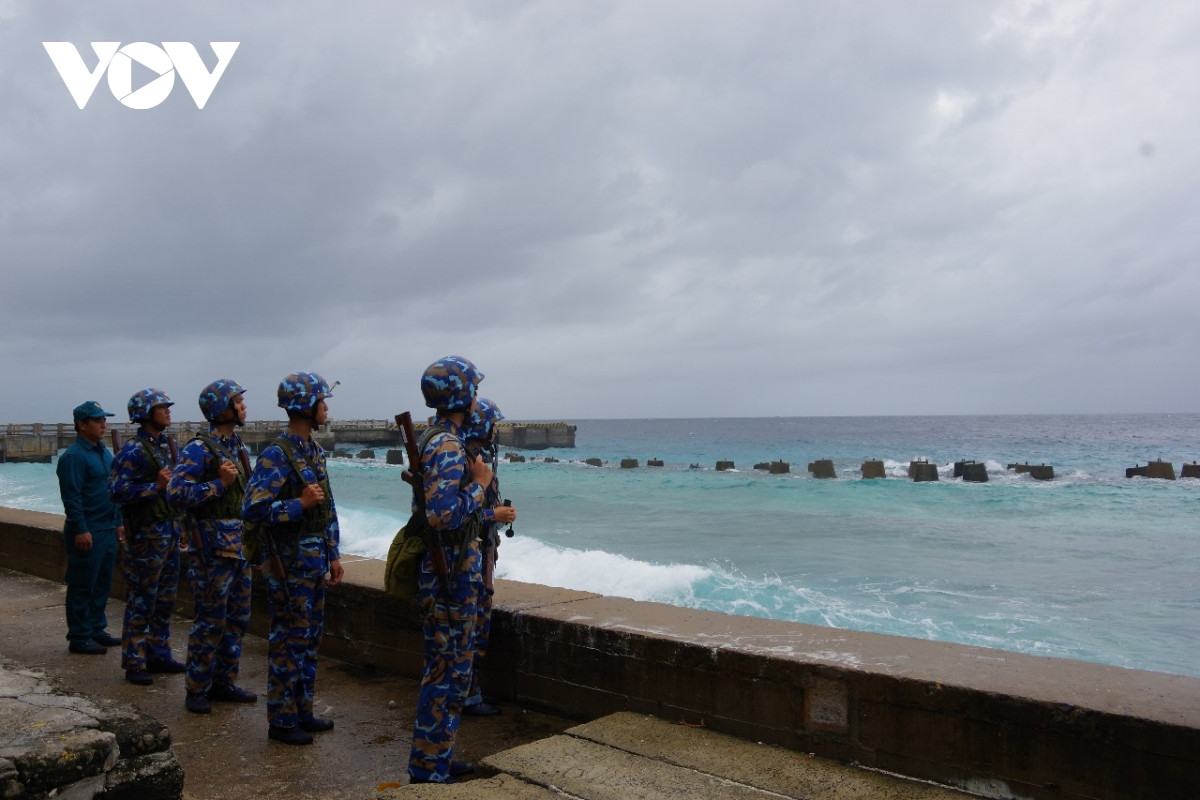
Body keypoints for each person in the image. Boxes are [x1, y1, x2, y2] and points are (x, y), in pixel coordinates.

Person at [407, 357, 517, 785]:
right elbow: (441, 515)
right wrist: (479, 484)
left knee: (452, 668)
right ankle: (428, 767)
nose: (475, 398)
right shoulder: (448, 446)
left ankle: (437, 756)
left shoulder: (441, 440)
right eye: (471, 390)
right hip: (449, 574)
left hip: (454, 571)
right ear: (459, 395)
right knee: (445, 669)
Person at [242, 372, 344, 746]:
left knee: (309, 638)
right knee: (288, 640)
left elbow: (328, 509)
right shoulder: (276, 454)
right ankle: (282, 720)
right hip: (288, 564)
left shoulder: (313, 451)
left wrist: (333, 553)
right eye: (322, 401)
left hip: (315, 560)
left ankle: (303, 710)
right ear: (305, 406)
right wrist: (297, 505)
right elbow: (252, 509)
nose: (326, 408)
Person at [168, 379, 258, 714]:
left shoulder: (236, 447)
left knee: (237, 619)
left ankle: (224, 681)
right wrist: (218, 484)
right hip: (211, 551)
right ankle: (197, 688)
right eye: (238, 401)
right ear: (221, 407)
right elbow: (176, 494)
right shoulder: (199, 449)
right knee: (210, 620)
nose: (243, 406)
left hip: (239, 549)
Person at [108, 388, 185, 685]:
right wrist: (154, 487)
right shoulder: (134, 450)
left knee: (165, 600)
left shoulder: (168, 446)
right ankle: (135, 660)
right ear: (146, 413)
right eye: (161, 407)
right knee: (142, 599)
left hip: (169, 531)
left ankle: (159, 653)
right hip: (146, 536)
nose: (168, 411)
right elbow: (115, 491)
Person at [57, 400, 124, 655]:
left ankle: (96, 628)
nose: (103, 424)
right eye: (97, 420)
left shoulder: (103, 452)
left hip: (107, 528)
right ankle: (79, 636)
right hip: (88, 529)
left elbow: (112, 489)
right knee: (83, 583)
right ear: (81, 425)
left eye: (104, 420)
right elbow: (72, 498)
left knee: (102, 583)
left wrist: (118, 522)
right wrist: (80, 529)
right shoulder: (73, 457)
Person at [460, 396, 508, 718]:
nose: (495, 431)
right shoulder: (465, 462)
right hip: (467, 560)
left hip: (481, 556)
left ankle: (473, 692)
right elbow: (459, 515)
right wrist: (495, 514)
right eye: (493, 425)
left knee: (480, 631)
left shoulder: (478, 458)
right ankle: (468, 697)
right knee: (469, 634)